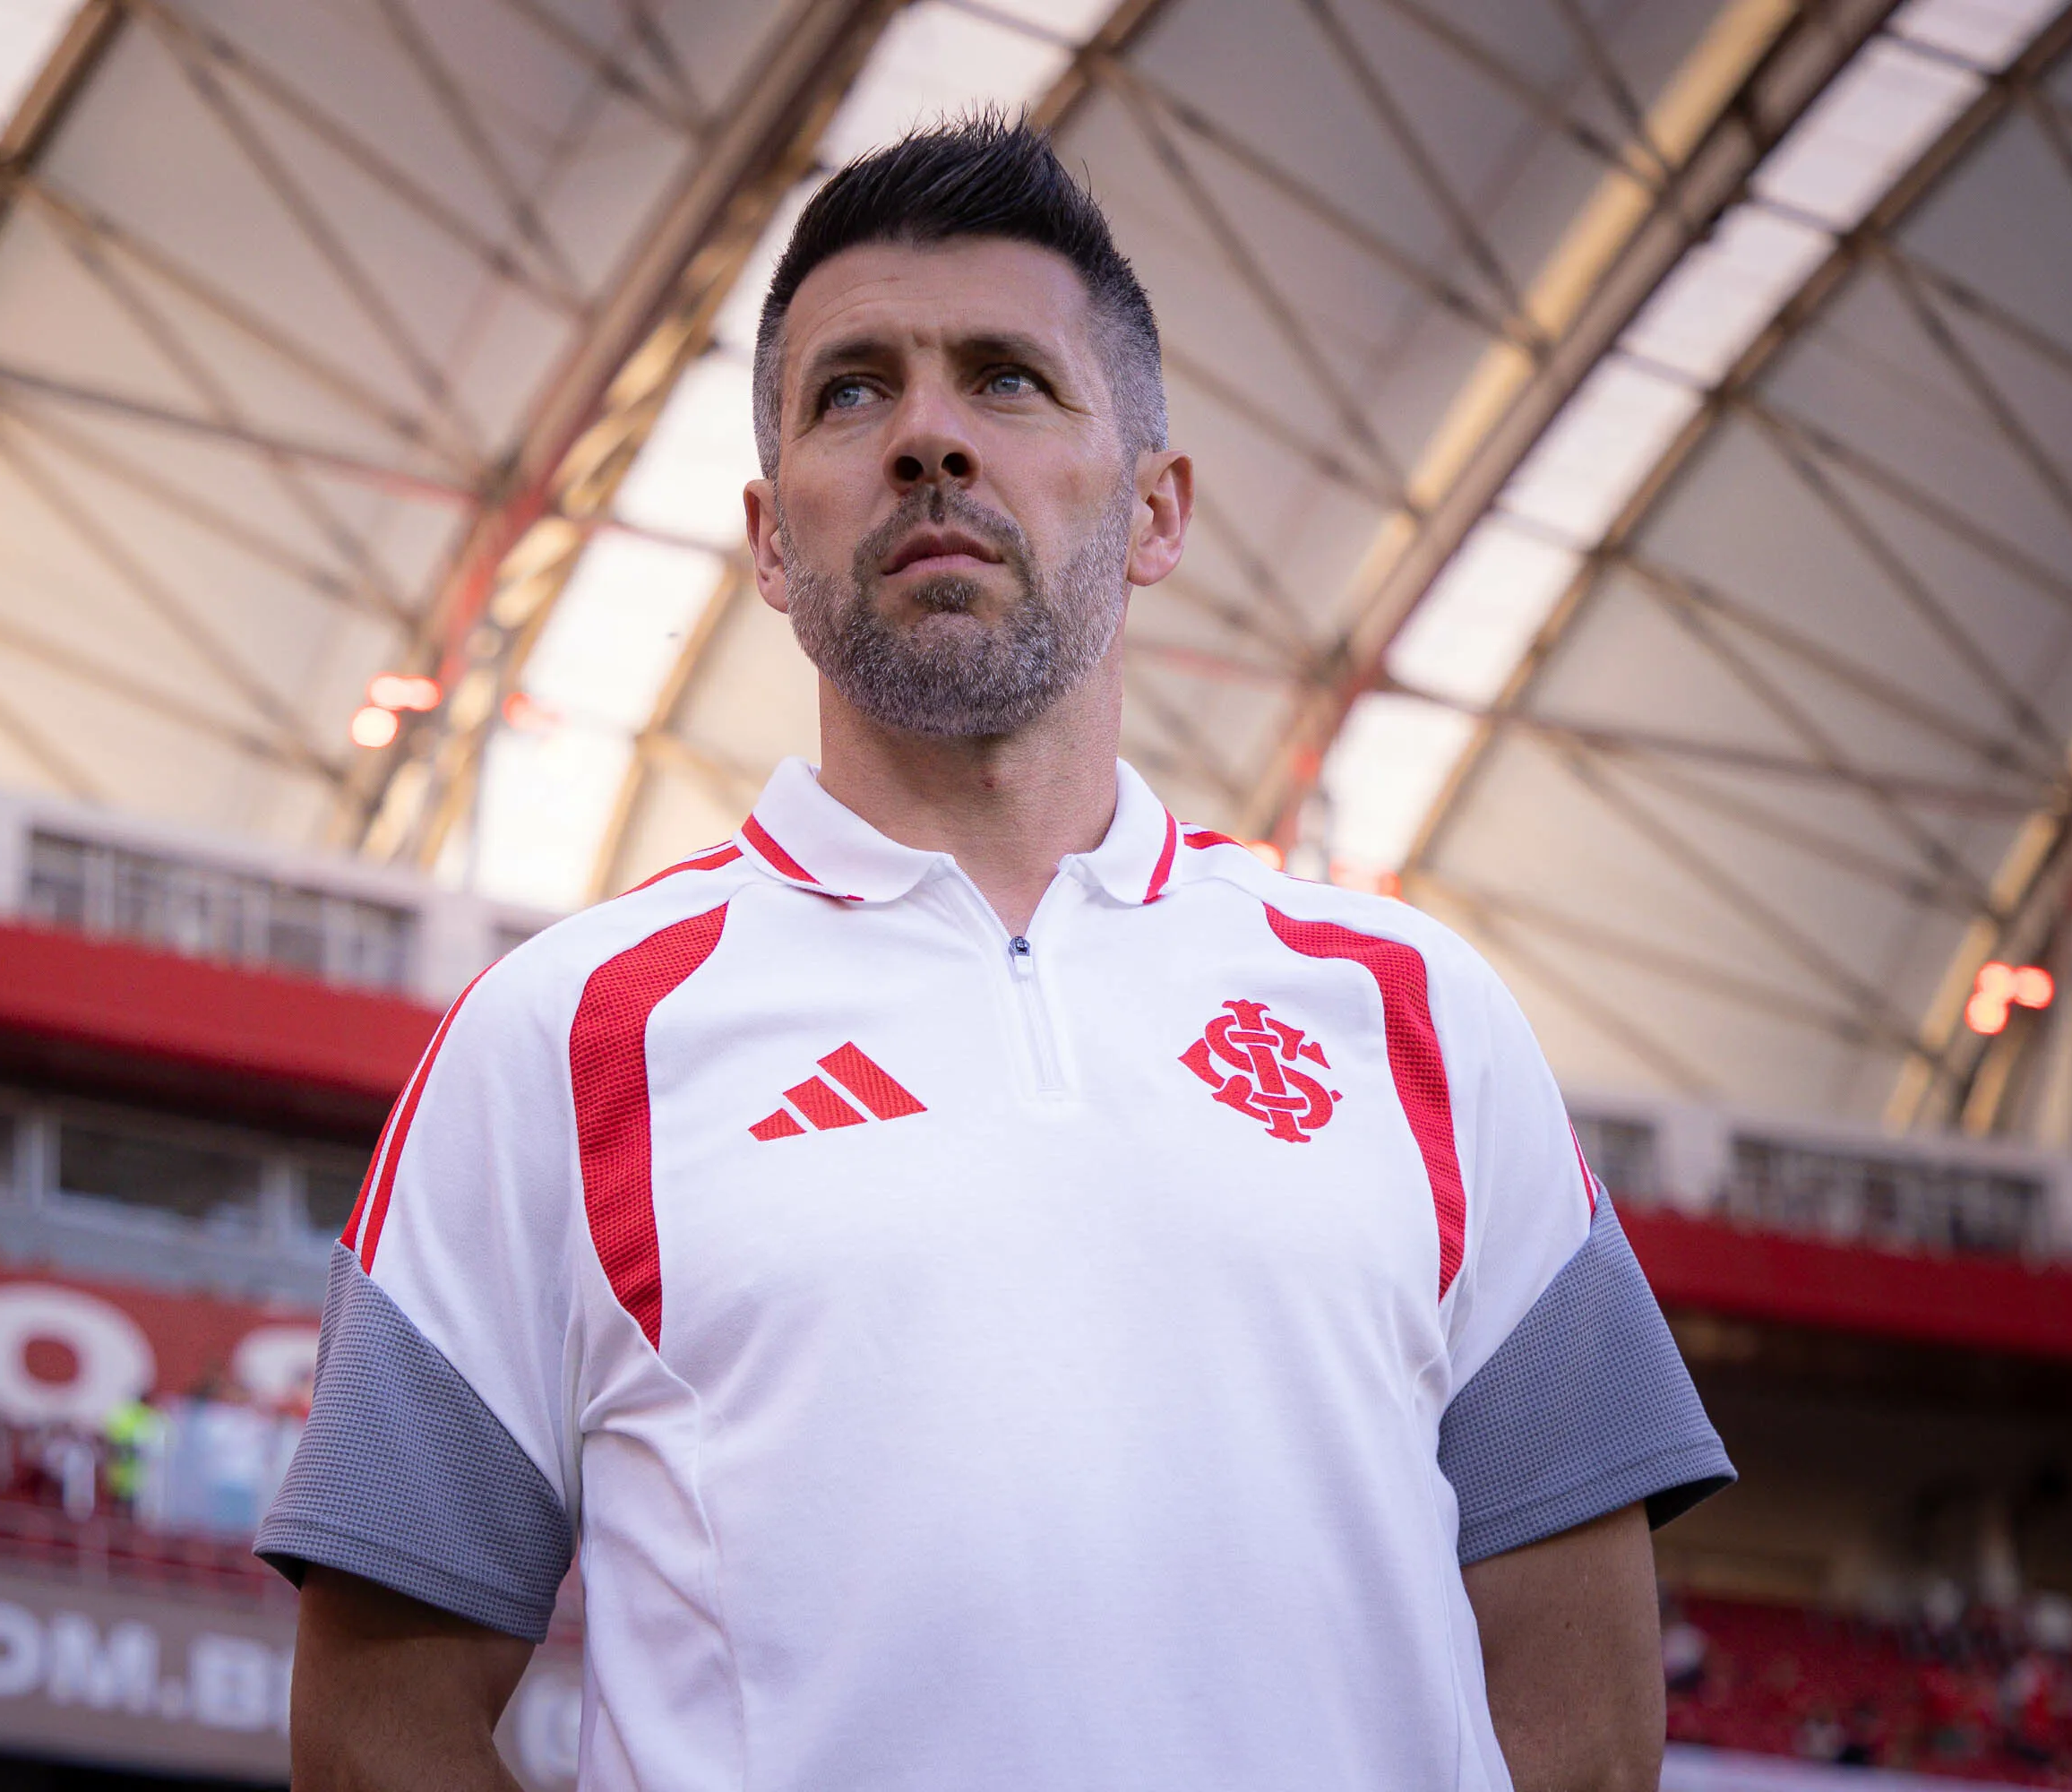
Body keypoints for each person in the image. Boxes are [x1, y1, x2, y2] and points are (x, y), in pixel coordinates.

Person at [259, 116, 1732, 1791]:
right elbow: (374, 1732)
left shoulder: (1421, 1015)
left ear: (1157, 509)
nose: (929, 439)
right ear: (769, 538)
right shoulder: (562, 1036)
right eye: (852, 392)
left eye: (1007, 381)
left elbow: (1587, 1721)